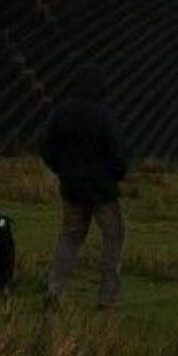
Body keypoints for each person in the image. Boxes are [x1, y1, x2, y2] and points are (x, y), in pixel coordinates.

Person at [39, 63, 129, 310]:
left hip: (72, 187)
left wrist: (61, 169)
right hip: (102, 191)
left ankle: (54, 293)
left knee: (69, 238)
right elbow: (117, 153)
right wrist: (115, 176)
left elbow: (45, 145)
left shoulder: (61, 112)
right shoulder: (104, 115)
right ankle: (108, 299)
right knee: (114, 237)